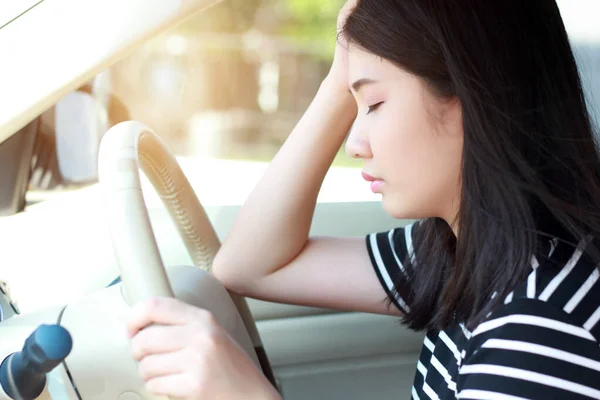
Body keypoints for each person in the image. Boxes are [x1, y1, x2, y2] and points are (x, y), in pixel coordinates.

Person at [125, 0, 600, 398]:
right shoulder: (467, 254)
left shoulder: (541, 329)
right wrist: (343, 72)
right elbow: (248, 265)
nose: (355, 143)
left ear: (469, 97)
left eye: (373, 104)